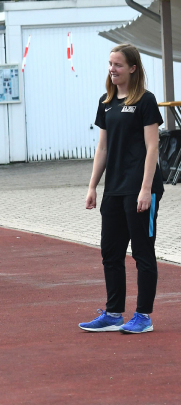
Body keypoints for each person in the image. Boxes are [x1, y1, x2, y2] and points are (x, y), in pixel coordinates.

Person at [80, 43, 163, 334]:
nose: (112, 69)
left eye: (117, 64)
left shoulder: (146, 101)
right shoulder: (106, 101)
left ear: (132, 68)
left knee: (142, 252)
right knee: (111, 252)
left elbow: (153, 147)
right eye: (110, 64)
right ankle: (114, 313)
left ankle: (143, 316)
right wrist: (92, 186)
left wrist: (145, 188)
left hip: (140, 186)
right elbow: (102, 148)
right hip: (114, 187)